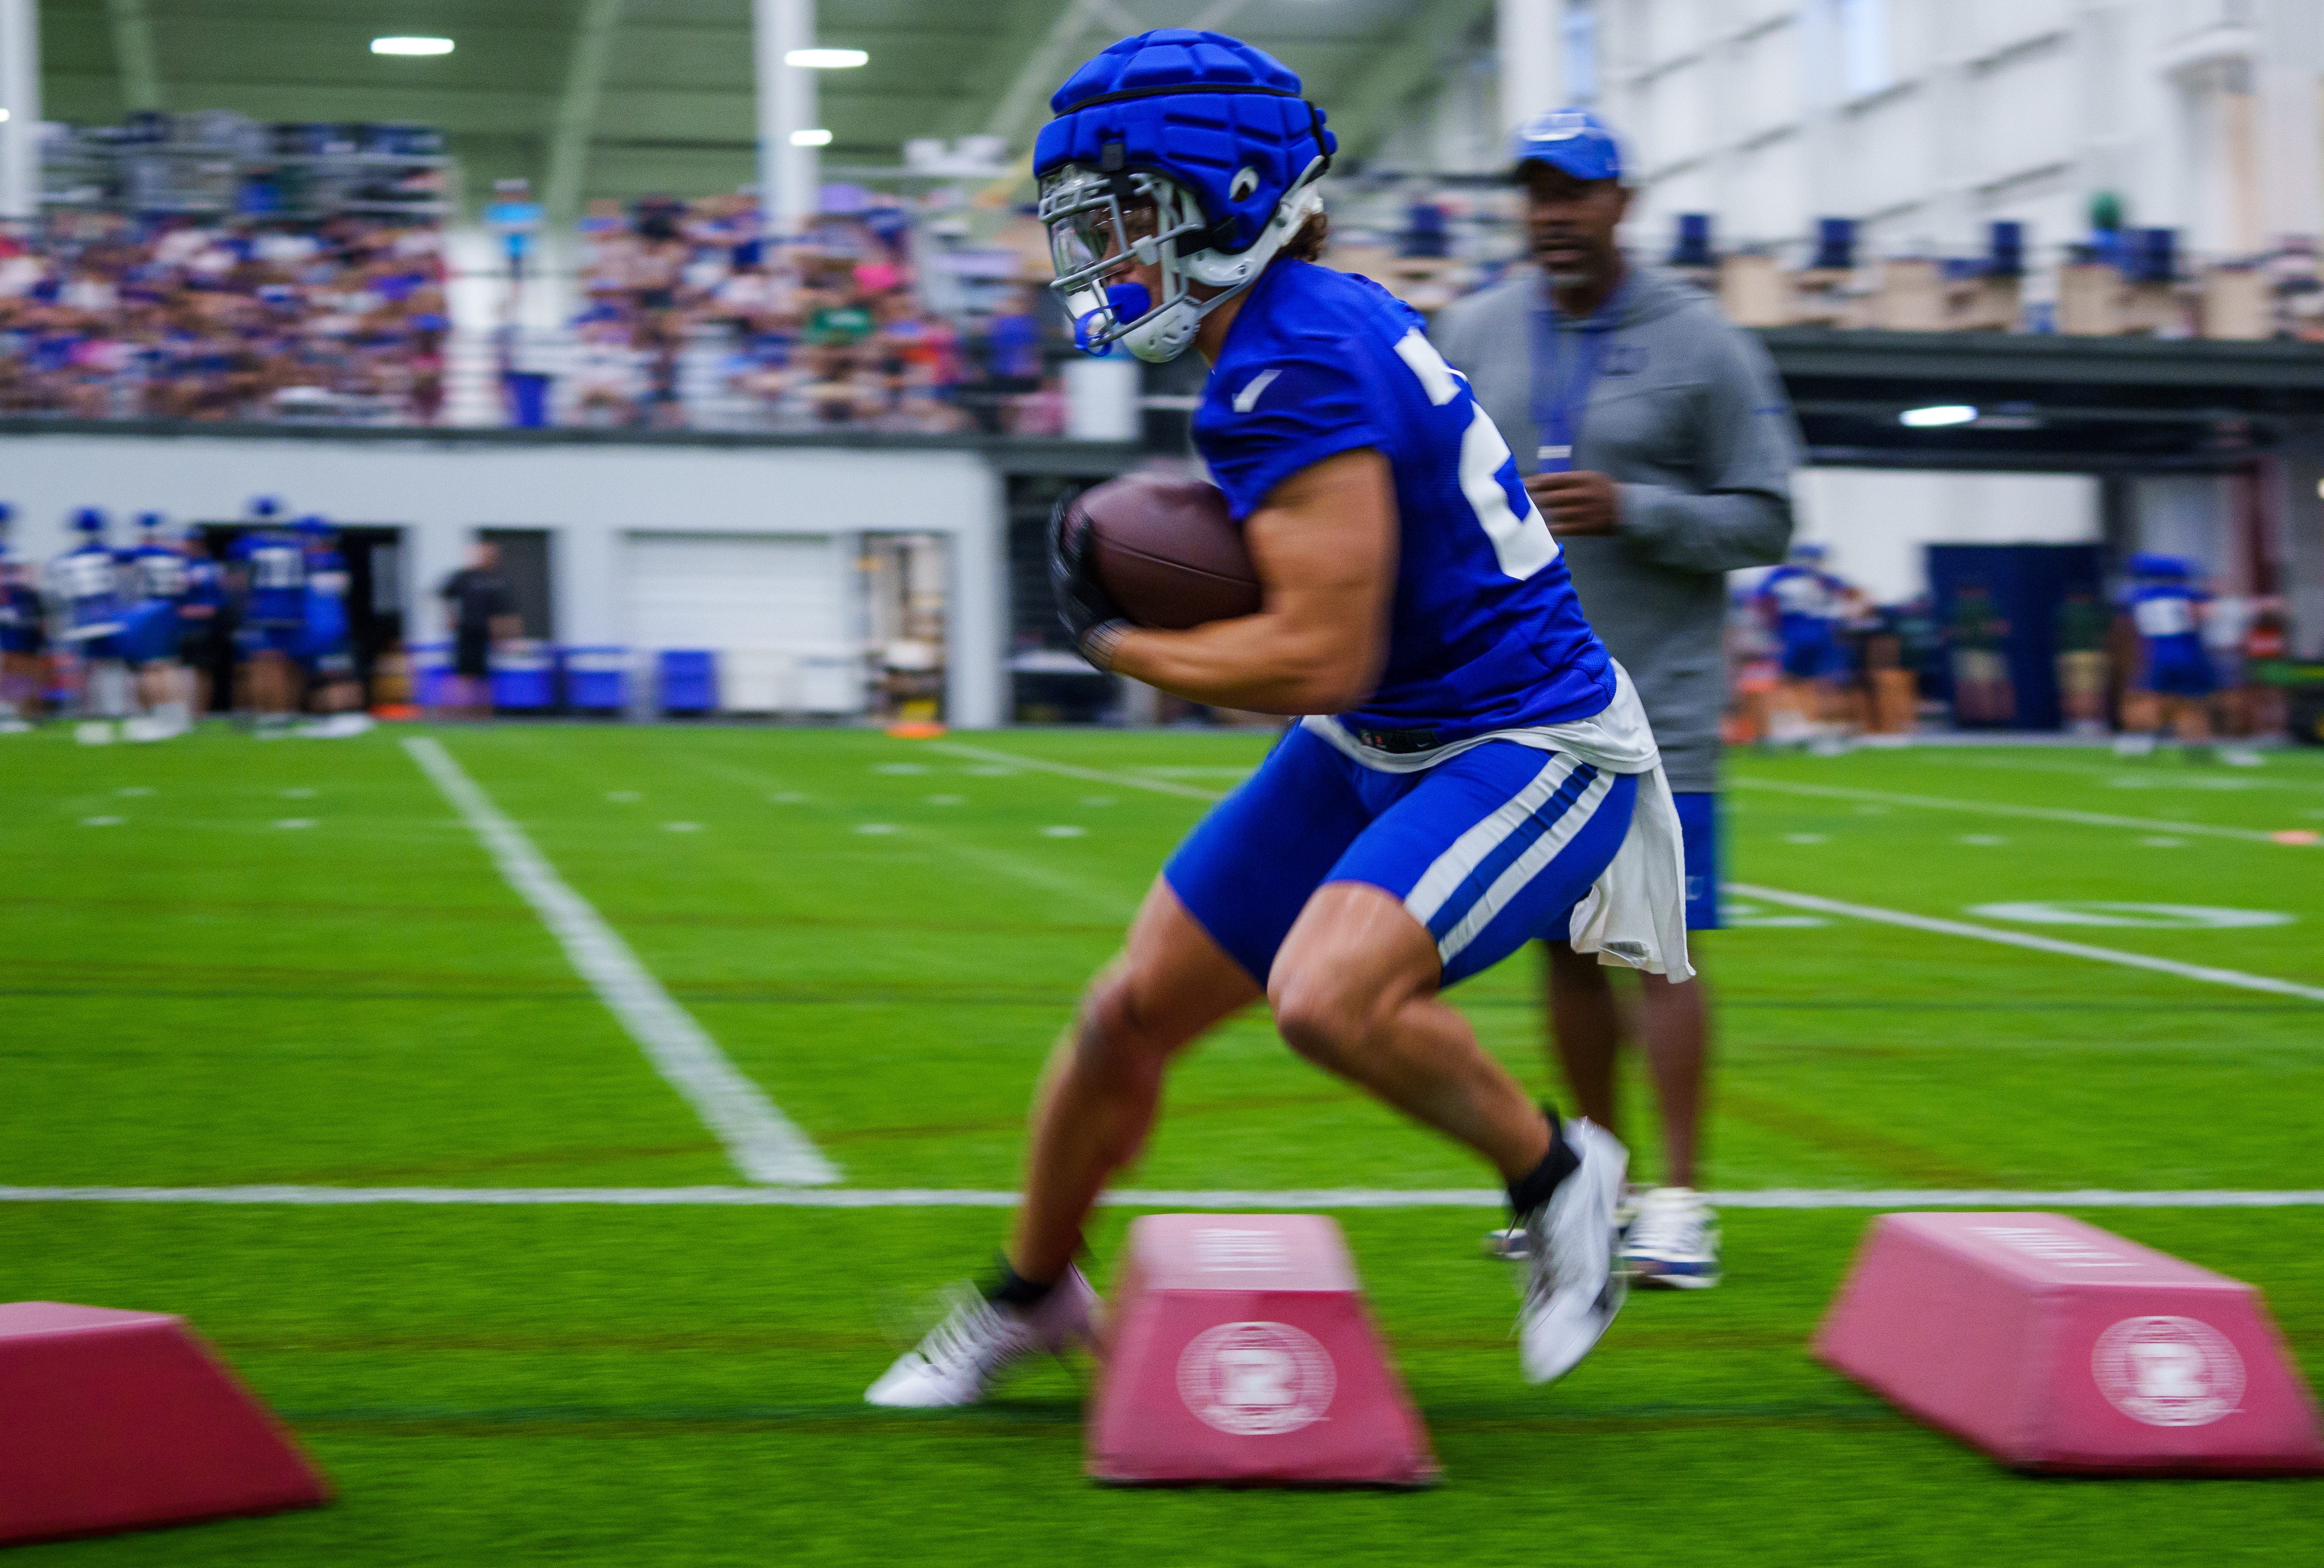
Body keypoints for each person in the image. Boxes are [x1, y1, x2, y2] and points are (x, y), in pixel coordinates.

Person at [867, 30, 1692, 1410]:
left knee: (1324, 996)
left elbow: (1317, 651)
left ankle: (1560, 1179)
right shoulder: (1287, 328)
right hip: (1385, 733)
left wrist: (1123, 642)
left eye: (1122, 217)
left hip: (1522, 743)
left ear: (1228, 198)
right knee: (1124, 1017)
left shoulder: (1291, 358)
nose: (1095, 256)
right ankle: (1034, 1292)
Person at [1433, 109, 1798, 1290]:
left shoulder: (1703, 343)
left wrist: (1635, 505)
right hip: (1523, 707)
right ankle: (1592, 1181)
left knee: (1662, 950)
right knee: (1562, 950)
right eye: (1535, 191)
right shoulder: (1475, 328)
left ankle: (1680, 1203)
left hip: (1661, 708)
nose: (1553, 212)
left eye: (1576, 191)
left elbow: (1767, 515)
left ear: (1622, 202)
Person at [227, 497, 310, 737]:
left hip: (261, 609)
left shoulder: (246, 545)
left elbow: (239, 582)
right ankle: (286, 711)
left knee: (262, 663)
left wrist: (239, 610)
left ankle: (270, 714)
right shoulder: (296, 545)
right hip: (293, 611)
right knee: (288, 664)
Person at [2116, 553, 2212, 755]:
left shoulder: (2140, 597)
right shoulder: (2189, 595)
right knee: (2192, 701)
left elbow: (2129, 626)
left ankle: (2140, 740)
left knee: (2151, 698)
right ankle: (2196, 745)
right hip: (2187, 653)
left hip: (2156, 654)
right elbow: (2204, 617)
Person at [48, 508, 133, 724]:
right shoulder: (113, 555)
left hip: (82, 619)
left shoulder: (66, 559)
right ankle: (114, 708)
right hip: (111, 617)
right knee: (112, 664)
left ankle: (88, 709)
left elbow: (62, 594)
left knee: (87, 666)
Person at [294, 516, 371, 738]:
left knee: (336, 673)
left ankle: (344, 715)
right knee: (324, 674)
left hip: (327, 626)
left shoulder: (327, 560)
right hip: (318, 626)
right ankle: (331, 717)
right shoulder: (316, 561)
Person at [437, 541, 517, 718]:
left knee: (483, 675)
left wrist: (503, 635)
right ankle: (453, 712)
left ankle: (483, 714)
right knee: (462, 673)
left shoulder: (496, 580)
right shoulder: (464, 577)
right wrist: (450, 618)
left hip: (485, 633)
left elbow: (502, 612)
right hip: (466, 630)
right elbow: (445, 596)